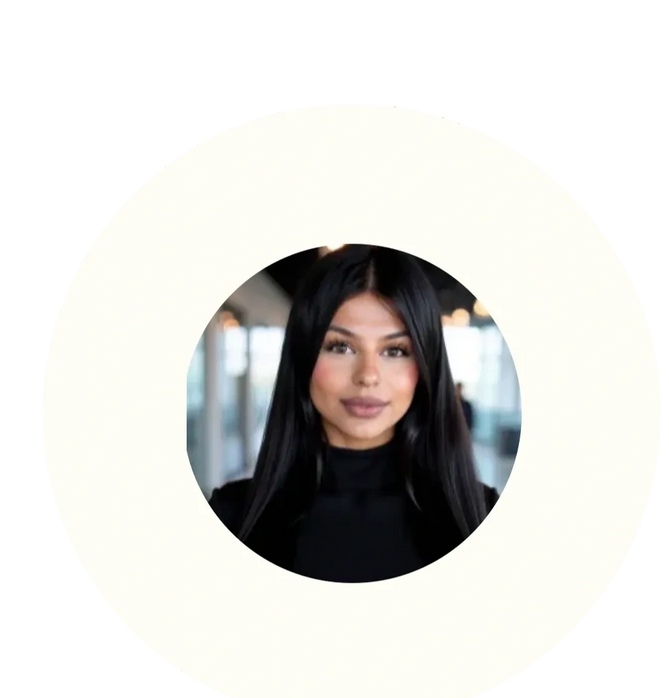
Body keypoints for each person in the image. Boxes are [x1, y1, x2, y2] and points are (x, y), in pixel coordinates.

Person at [209, 246, 500, 582]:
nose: (368, 375)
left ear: (425, 367)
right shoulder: (231, 518)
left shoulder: (481, 514)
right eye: (341, 347)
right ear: (302, 358)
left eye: (395, 350)